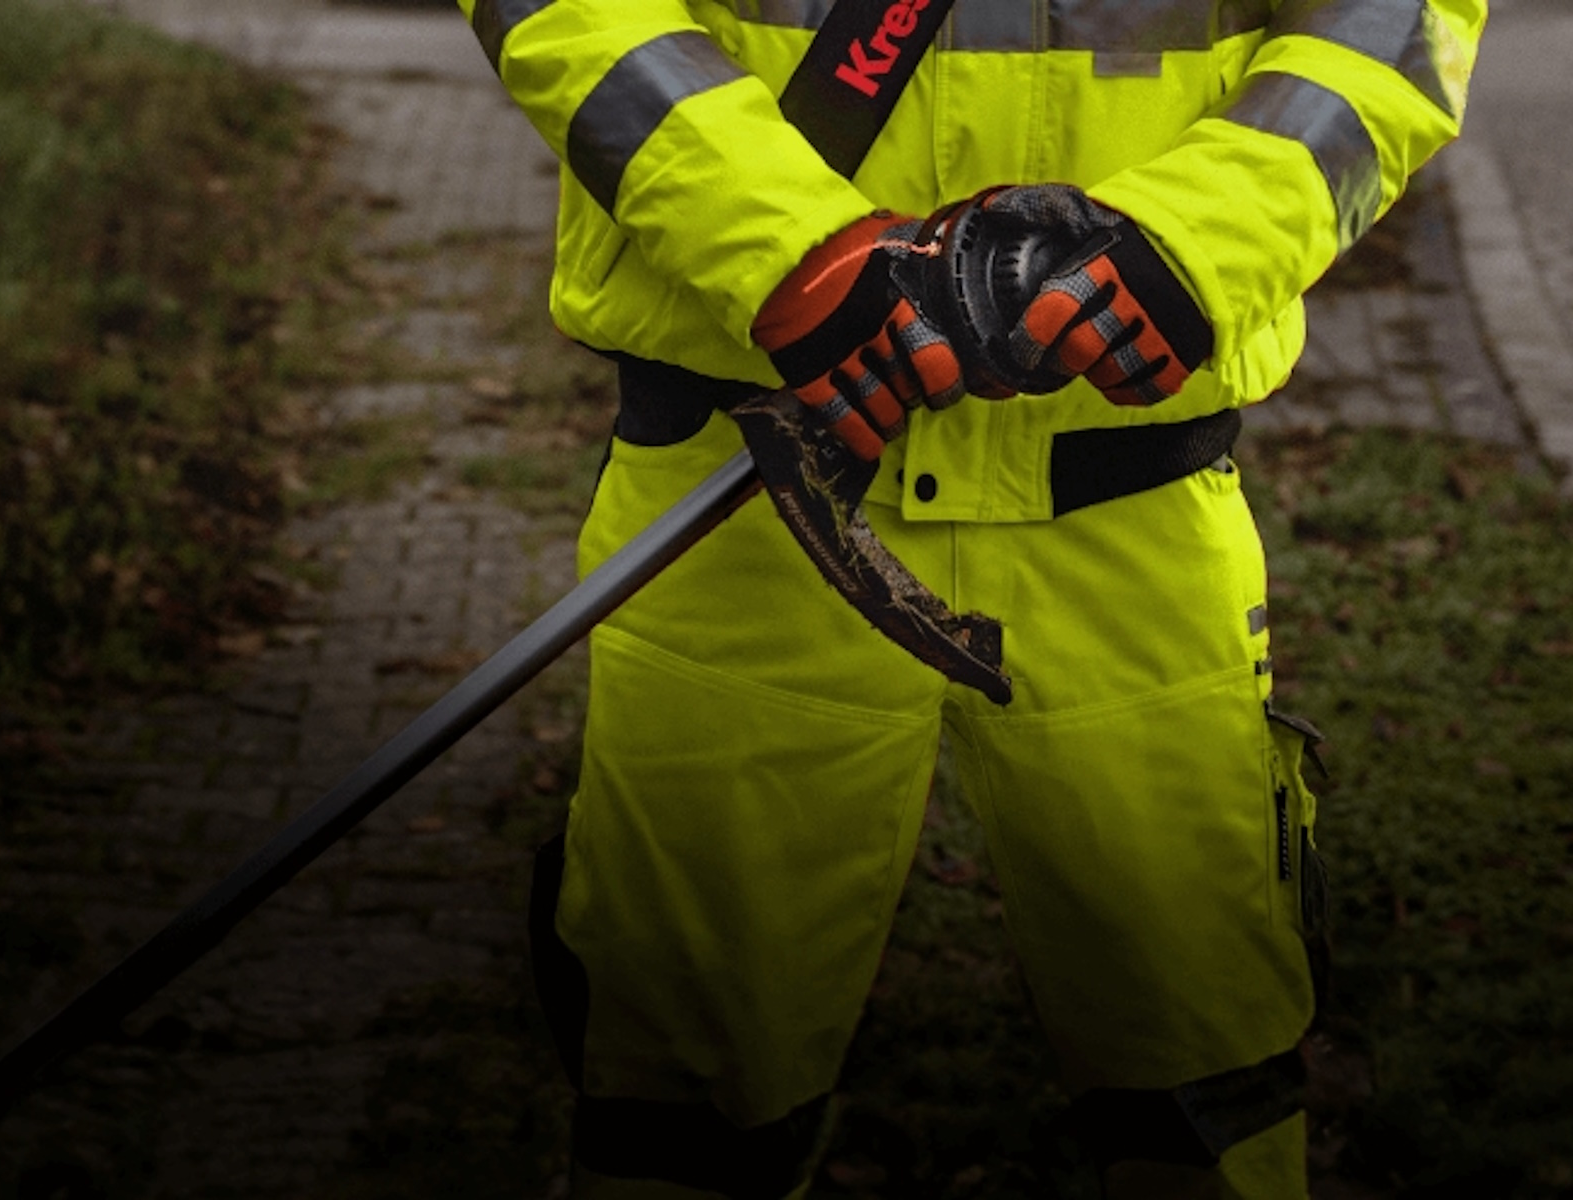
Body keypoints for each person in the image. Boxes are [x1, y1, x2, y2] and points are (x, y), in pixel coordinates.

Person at [457, 0, 1484, 1195]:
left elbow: (1387, 19)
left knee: (1206, 1083)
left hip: (1121, 505)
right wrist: (786, 248)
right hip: (756, 488)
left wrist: (1197, 239)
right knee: (679, 1105)